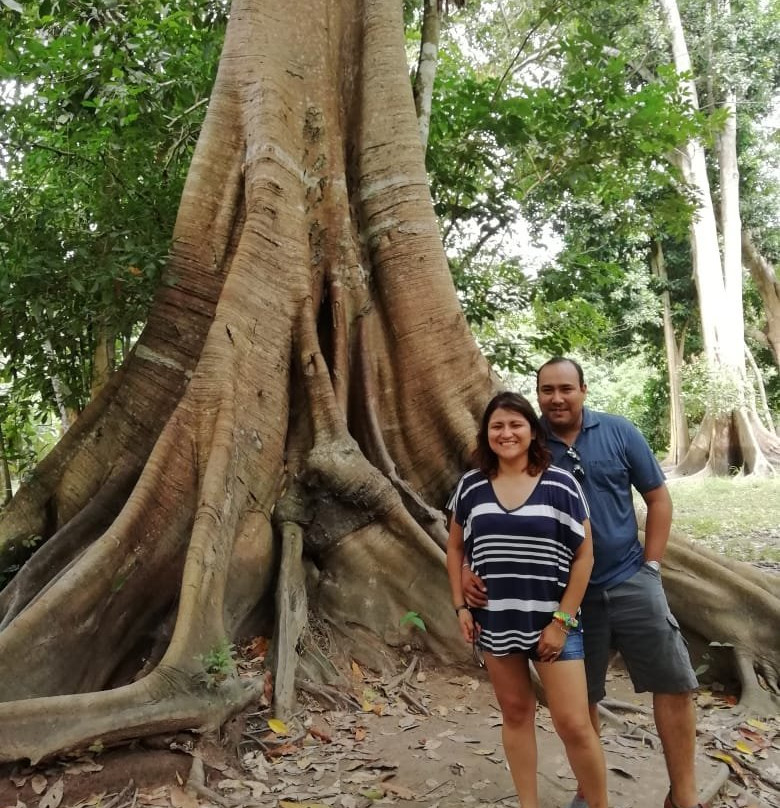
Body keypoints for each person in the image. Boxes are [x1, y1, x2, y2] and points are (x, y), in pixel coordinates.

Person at [462, 358, 705, 808]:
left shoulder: (618, 432)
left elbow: (657, 497)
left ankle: (685, 795)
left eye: (565, 389)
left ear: (583, 390)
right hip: (563, 595)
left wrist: (651, 565)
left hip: (629, 576)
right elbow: (477, 518)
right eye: (547, 390)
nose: (556, 398)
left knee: (672, 680)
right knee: (581, 700)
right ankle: (589, 793)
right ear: (538, 395)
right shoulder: (528, 441)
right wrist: (465, 572)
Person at [447, 391, 609, 808]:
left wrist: (561, 622)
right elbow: (455, 548)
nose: (506, 433)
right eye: (497, 425)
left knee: (573, 723)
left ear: (532, 431)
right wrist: (461, 605)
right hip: (495, 619)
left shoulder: (560, 483)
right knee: (516, 713)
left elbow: (584, 555)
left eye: (516, 424)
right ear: (486, 433)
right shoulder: (471, 485)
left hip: (552, 621)